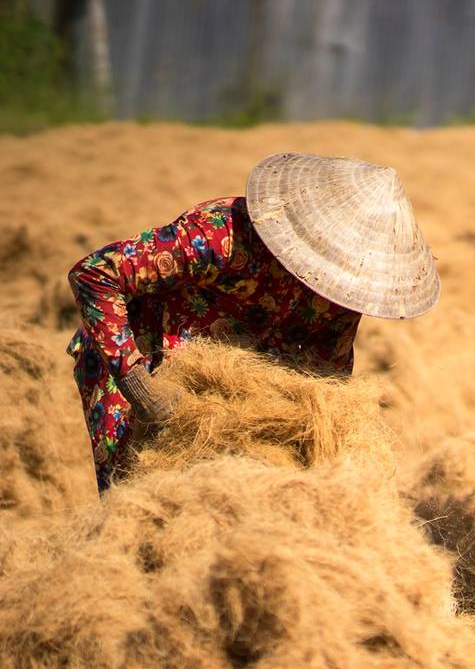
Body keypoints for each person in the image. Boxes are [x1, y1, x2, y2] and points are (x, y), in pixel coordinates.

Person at [67, 152, 438, 492]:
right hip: (134, 357)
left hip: (231, 393)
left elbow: (326, 378)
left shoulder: (340, 297)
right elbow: (95, 275)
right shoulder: (223, 234)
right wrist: (141, 387)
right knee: (138, 494)